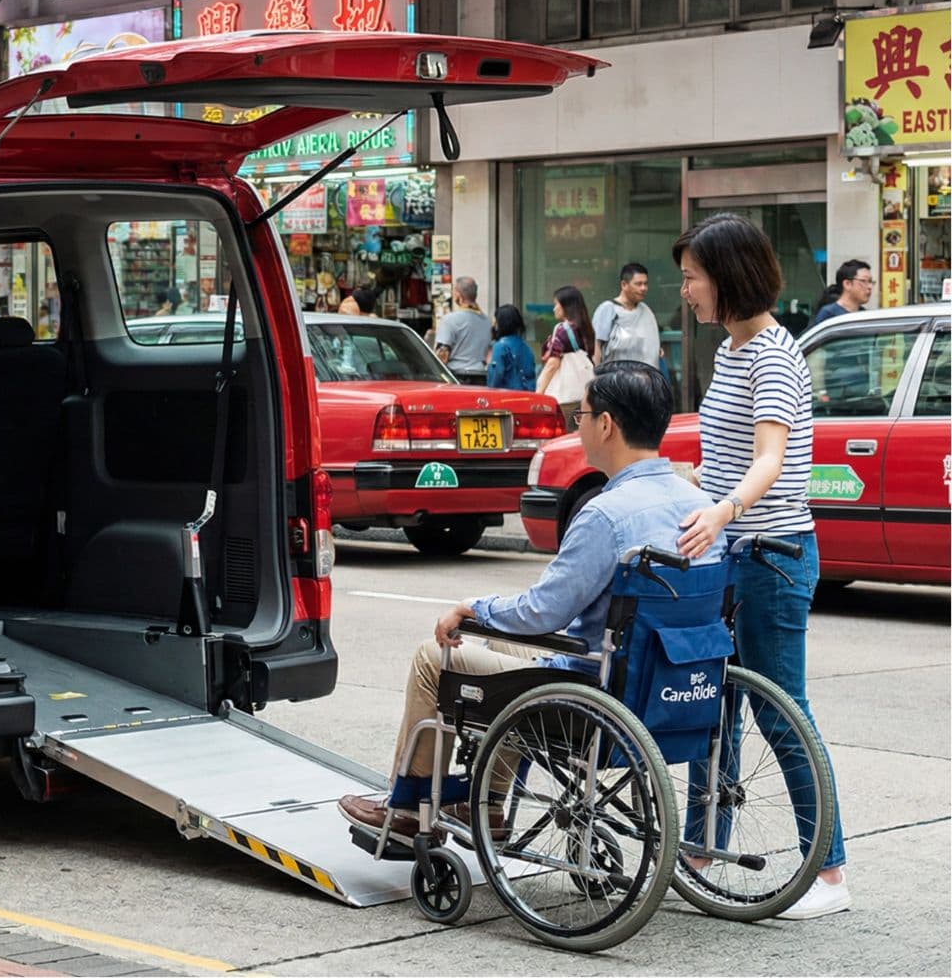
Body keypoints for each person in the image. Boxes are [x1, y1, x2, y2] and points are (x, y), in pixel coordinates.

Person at [337, 362, 719, 835]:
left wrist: (474, 609)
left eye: (580, 415)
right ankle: (489, 806)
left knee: (434, 657)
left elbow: (545, 610)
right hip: (676, 690)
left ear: (606, 424)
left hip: (595, 698)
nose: (577, 426)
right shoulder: (702, 508)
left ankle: (411, 809)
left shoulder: (604, 514)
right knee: (503, 647)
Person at [671, 214, 849, 919]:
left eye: (692, 276)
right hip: (734, 554)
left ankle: (830, 872)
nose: (684, 289)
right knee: (715, 710)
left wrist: (722, 510)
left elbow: (771, 459)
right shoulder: (733, 351)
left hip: (769, 558)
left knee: (784, 715)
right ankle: (697, 851)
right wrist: (694, 484)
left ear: (728, 277)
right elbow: (729, 452)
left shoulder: (774, 355)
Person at [537, 285, 597, 426]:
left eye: (556, 304)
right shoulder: (586, 328)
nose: (554, 309)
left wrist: (539, 392)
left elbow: (553, 364)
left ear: (566, 306)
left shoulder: (562, 329)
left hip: (565, 397)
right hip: (584, 393)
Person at [593, 263, 662, 365]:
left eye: (645, 284)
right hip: (614, 376)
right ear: (624, 285)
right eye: (638, 284)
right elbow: (597, 346)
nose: (643, 288)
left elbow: (649, 343)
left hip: (644, 376)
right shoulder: (608, 309)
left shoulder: (645, 311)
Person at [432, 277, 492, 384]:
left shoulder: (449, 320)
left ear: (458, 295)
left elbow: (441, 357)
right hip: (481, 378)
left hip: (456, 377)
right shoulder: (487, 321)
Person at [484, 304, 537, 391]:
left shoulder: (500, 346)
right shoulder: (526, 347)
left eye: (495, 322)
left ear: (500, 324)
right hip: (528, 395)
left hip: (507, 397)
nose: (493, 324)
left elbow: (495, 376)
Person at [809, 259, 873, 328]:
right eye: (863, 281)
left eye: (871, 282)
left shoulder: (864, 315)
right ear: (847, 284)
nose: (870, 286)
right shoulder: (829, 314)